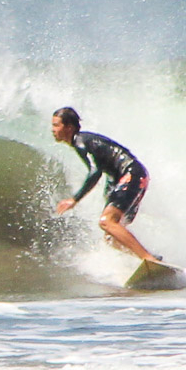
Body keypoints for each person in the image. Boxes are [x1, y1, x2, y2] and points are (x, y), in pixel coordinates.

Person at [50, 107, 159, 262]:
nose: (52, 130)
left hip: (132, 175)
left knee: (107, 222)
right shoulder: (85, 141)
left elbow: (96, 171)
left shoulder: (80, 141)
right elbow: (110, 166)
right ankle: (150, 258)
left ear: (69, 127)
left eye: (56, 125)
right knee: (111, 238)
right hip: (137, 176)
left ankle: (148, 258)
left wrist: (74, 199)